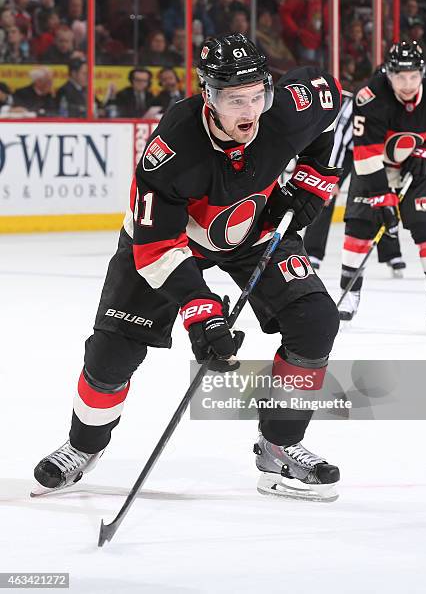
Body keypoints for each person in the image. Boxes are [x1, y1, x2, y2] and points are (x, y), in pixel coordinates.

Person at [33, 34, 342, 502]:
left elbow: (330, 107)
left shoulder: (286, 109)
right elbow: (156, 246)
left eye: (259, 94)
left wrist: (313, 179)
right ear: (208, 95)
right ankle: (83, 446)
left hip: (251, 230)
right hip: (173, 242)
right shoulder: (172, 147)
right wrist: (201, 310)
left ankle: (279, 443)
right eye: (236, 99)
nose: (251, 111)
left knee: (316, 319)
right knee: (111, 353)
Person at [338, 41, 426, 329]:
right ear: (388, 74)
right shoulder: (370, 97)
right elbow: (365, 154)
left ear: (422, 73)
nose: (406, 84)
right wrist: (381, 196)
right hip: (376, 164)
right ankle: (350, 293)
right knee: (359, 226)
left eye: (412, 76)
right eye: (399, 77)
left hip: (418, 164)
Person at [304, 91, 406, 276]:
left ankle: (392, 254)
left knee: (381, 197)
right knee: (324, 195)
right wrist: (329, 176)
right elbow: (338, 140)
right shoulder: (357, 104)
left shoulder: (395, 104)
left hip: (373, 152)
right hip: (346, 151)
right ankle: (312, 252)